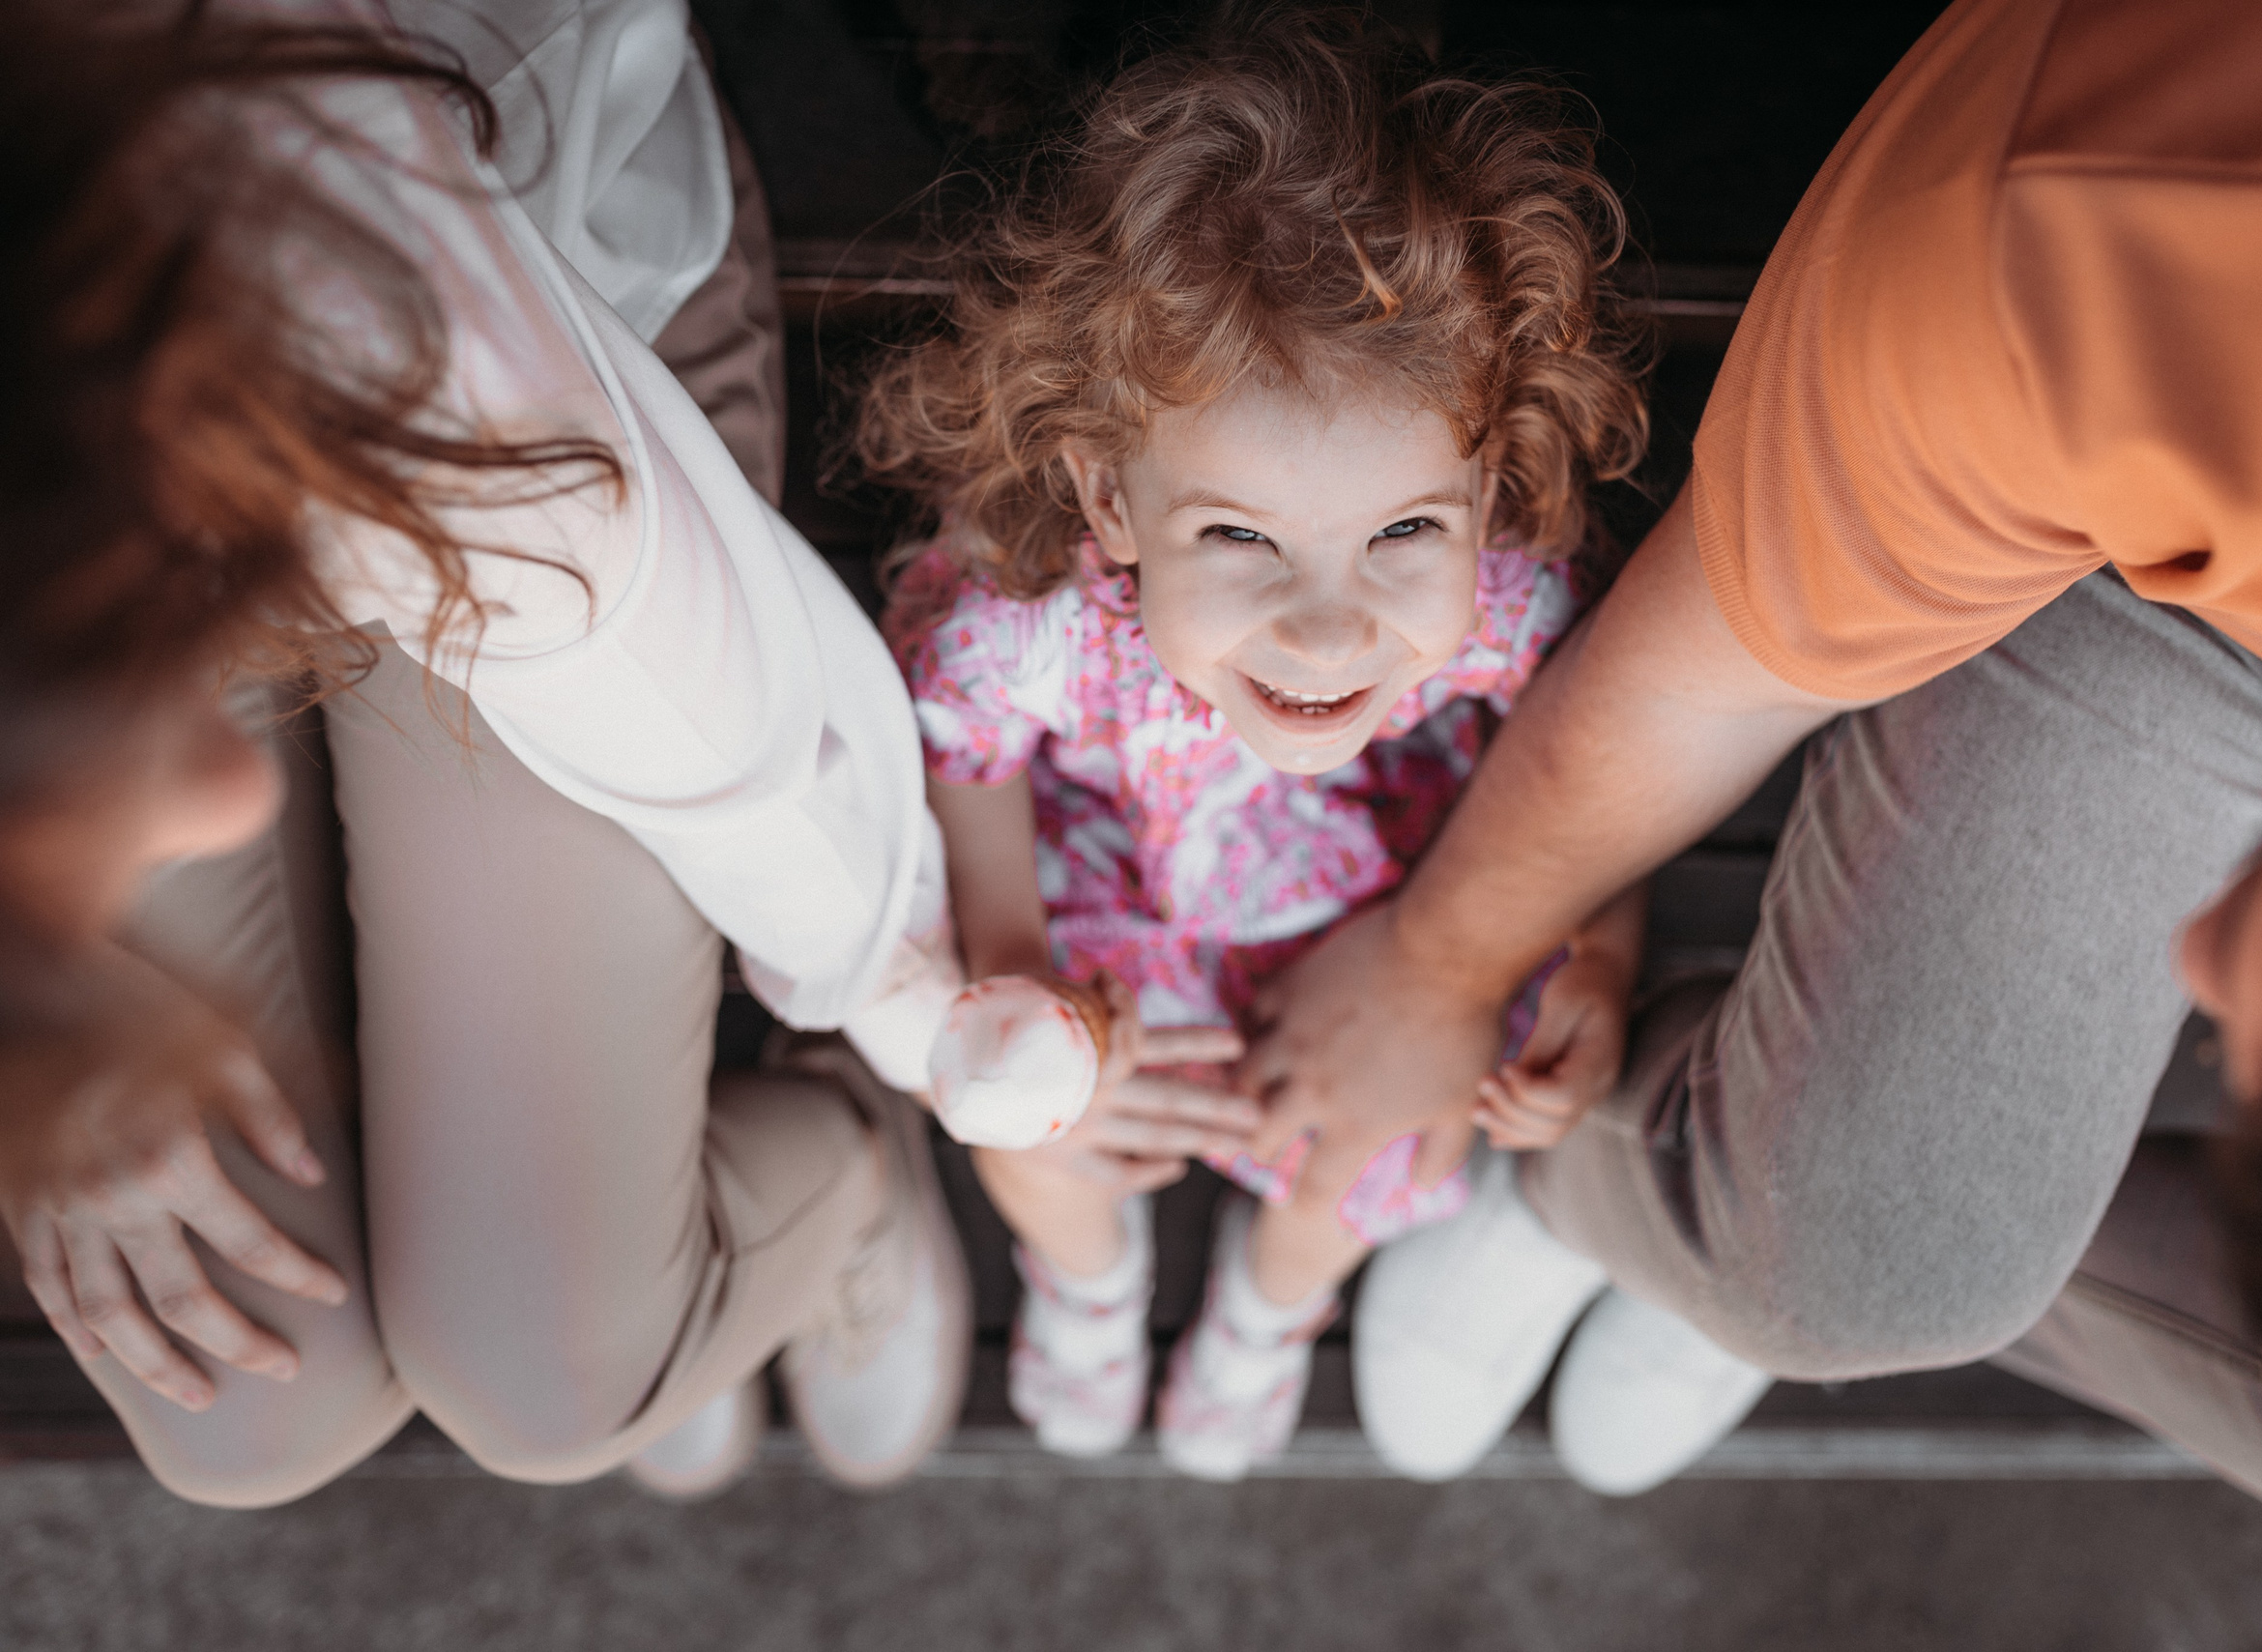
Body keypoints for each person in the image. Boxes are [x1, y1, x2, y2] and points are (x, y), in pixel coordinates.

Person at [1238, 0, 2262, 1609]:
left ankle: (1731, 1195)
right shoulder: (2134, 243)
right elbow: (1717, 665)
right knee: (1843, 1255)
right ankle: (1642, 1180)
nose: (2206, 958)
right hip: (2188, 576)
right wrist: (1443, 962)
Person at [0, 0, 966, 1507]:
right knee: (248, 1410)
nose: (230, 786)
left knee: (554, 1374)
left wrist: (904, 1005)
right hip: (176, 434)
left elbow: (740, 746)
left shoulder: (406, 345)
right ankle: (650, 1220)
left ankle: (843, 1146)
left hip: (493, 328)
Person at [852, 12, 1760, 1483]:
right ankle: (1089, 1287)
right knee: (1025, 1120)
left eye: (1408, 528)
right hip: (1112, 901)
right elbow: (966, 749)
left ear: (1488, 467)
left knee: (1397, 1139)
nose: (1330, 634)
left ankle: (1272, 1311)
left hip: (1381, 898)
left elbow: (1597, 747)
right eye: (1238, 538)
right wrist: (1015, 956)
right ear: (1112, 501)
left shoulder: (1514, 599)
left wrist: (1596, 949)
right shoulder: (1028, 621)